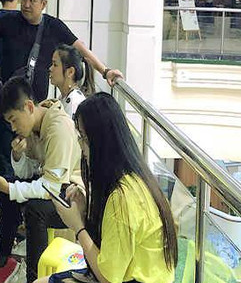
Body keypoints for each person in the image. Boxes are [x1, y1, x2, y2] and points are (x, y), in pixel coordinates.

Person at [0, 0, 123, 281]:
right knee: (8, 173)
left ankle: (25, 262)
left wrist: (105, 70)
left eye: (32, 0)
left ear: (44, 3)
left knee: (23, 191)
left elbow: (80, 49)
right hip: (13, 110)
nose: (26, 4)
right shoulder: (7, 21)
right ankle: (6, 245)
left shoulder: (61, 114)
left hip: (35, 127)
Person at [40, 93, 178, 283]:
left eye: (84, 138)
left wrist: (78, 226)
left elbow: (107, 278)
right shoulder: (136, 179)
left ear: (102, 143)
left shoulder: (122, 198)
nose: (81, 146)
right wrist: (84, 211)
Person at [0, 76, 82, 283]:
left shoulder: (58, 127)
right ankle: (5, 260)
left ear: (28, 107)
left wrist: (10, 188)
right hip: (57, 187)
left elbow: (51, 187)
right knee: (6, 191)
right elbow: (28, 173)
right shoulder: (35, 124)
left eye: (14, 120)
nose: (13, 127)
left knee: (36, 210)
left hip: (75, 195)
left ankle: (34, 278)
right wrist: (18, 156)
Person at [49, 44, 94, 120]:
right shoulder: (63, 97)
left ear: (70, 72)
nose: (50, 68)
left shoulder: (74, 101)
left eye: (55, 65)